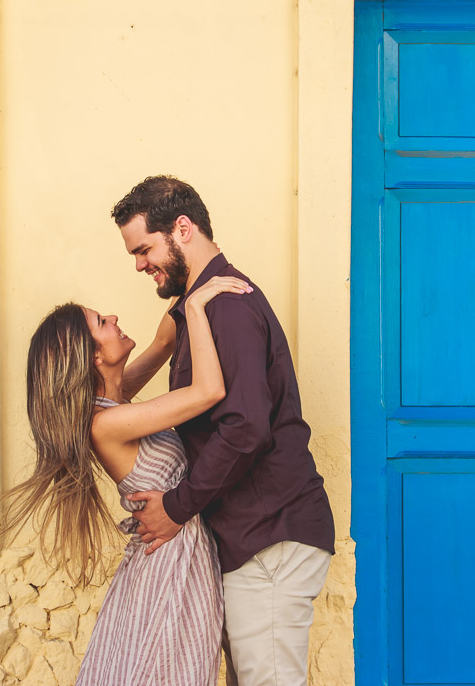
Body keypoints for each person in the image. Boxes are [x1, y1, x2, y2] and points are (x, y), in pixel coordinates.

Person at [111, 175, 336, 686]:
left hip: (271, 539)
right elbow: (115, 395)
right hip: (249, 542)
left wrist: (175, 507)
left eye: (144, 250)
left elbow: (245, 428)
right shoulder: (196, 308)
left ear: (182, 229)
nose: (140, 265)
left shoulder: (227, 306)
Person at [2, 275, 252, 686]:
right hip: (168, 567)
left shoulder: (114, 402)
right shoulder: (106, 424)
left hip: (175, 555)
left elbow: (163, 344)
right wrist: (195, 306)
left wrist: (191, 277)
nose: (114, 318)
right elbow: (208, 390)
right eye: (102, 322)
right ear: (94, 356)